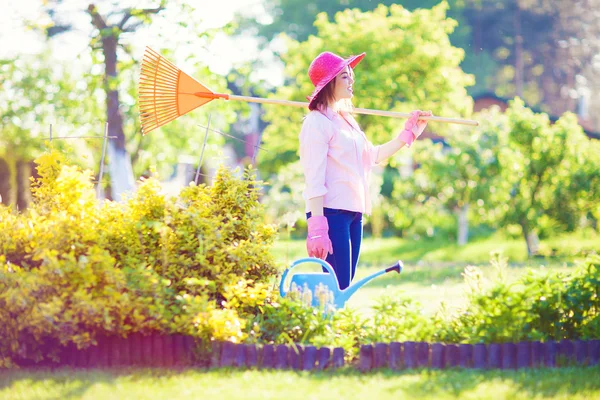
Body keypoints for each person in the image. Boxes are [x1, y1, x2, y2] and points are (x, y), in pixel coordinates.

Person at [299, 51, 432, 290]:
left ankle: (335, 326)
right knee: (337, 287)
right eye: (344, 77)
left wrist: (409, 133)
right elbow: (314, 177)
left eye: (351, 76)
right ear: (329, 83)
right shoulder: (317, 122)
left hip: (353, 211)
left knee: (345, 285)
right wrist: (317, 226)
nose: (352, 81)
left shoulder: (347, 121)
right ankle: (328, 326)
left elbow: (372, 156)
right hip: (330, 213)